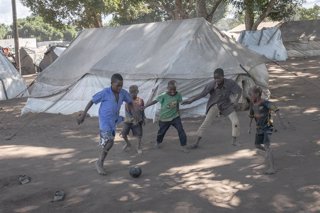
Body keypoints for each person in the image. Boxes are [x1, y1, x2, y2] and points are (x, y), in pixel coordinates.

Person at [77, 73, 136, 175]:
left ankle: (106, 152)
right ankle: (99, 163)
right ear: (112, 83)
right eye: (117, 85)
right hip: (104, 121)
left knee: (109, 141)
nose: (120, 87)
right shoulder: (105, 92)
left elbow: (130, 102)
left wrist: (134, 114)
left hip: (114, 121)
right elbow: (92, 101)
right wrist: (83, 115)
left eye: (121, 85)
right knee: (110, 142)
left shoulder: (123, 93)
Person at [181, 68, 242, 148]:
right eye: (215, 78)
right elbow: (202, 94)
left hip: (226, 105)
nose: (217, 80)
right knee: (206, 122)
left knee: (236, 121)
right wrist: (191, 101)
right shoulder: (211, 84)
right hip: (215, 105)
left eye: (219, 78)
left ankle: (234, 141)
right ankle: (196, 142)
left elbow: (239, 90)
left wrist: (236, 101)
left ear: (223, 76)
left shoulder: (230, 83)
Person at [248, 86, 285, 175]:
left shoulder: (265, 103)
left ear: (257, 94)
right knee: (257, 145)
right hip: (259, 128)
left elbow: (275, 108)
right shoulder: (253, 104)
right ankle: (268, 152)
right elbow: (251, 115)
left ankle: (272, 168)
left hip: (267, 127)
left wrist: (280, 121)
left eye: (251, 94)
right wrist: (249, 126)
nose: (250, 96)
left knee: (267, 146)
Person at [143, 80, 188, 152]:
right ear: (167, 88)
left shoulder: (178, 94)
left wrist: (178, 113)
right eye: (171, 89)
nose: (173, 91)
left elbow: (177, 104)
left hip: (175, 117)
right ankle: (158, 142)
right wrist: (146, 106)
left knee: (181, 130)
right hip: (164, 118)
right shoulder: (163, 95)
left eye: (174, 89)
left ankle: (184, 146)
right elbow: (155, 101)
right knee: (161, 132)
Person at [121, 85, 145, 154]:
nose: (133, 94)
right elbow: (130, 111)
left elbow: (142, 110)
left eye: (134, 92)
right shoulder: (127, 101)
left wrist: (143, 118)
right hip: (128, 120)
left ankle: (138, 147)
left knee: (139, 135)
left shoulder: (141, 100)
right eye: (131, 92)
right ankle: (128, 144)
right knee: (123, 134)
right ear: (129, 92)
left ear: (137, 92)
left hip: (137, 120)